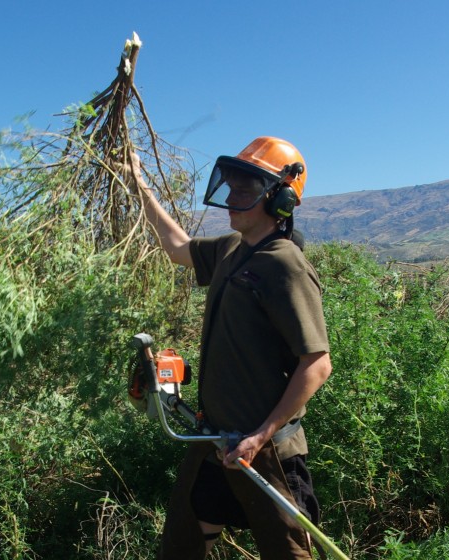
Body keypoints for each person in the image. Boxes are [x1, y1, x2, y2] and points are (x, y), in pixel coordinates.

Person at [127, 137, 333, 559]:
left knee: (290, 554)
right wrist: (138, 184)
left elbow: (317, 364)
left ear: (281, 200)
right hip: (216, 443)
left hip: (268, 451)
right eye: (232, 188)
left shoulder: (284, 264)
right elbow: (177, 248)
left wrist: (260, 435)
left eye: (247, 190)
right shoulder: (231, 249)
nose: (233, 199)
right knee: (182, 547)